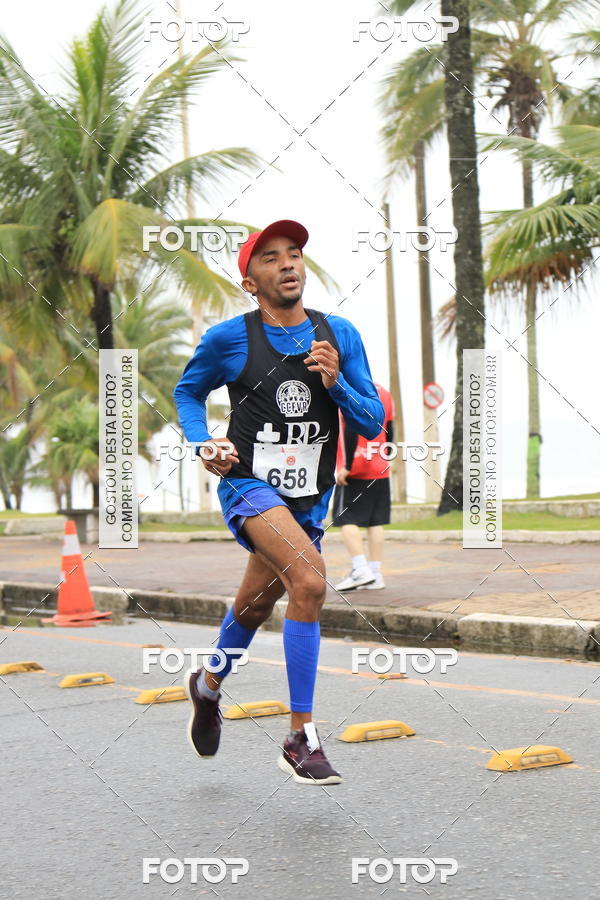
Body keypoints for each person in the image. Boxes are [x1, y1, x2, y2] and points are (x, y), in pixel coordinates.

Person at [174, 219, 384, 785]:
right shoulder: (229, 338)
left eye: (294, 254)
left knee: (253, 606)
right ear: (250, 281)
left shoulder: (338, 334)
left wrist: (336, 382)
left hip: (308, 501)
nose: (288, 263)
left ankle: (207, 683)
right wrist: (204, 442)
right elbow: (188, 391)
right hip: (248, 486)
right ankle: (300, 736)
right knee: (311, 583)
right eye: (270, 258)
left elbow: (371, 420)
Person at [333, 384, 394, 591]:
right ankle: (376, 574)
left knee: (346, 518)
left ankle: (360, 569)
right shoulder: (384, 392)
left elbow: (351, 428)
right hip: (380, 464)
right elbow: (390, 428)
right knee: (375, 521)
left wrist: (347, 466)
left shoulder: (348, 390)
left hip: (356, 467)